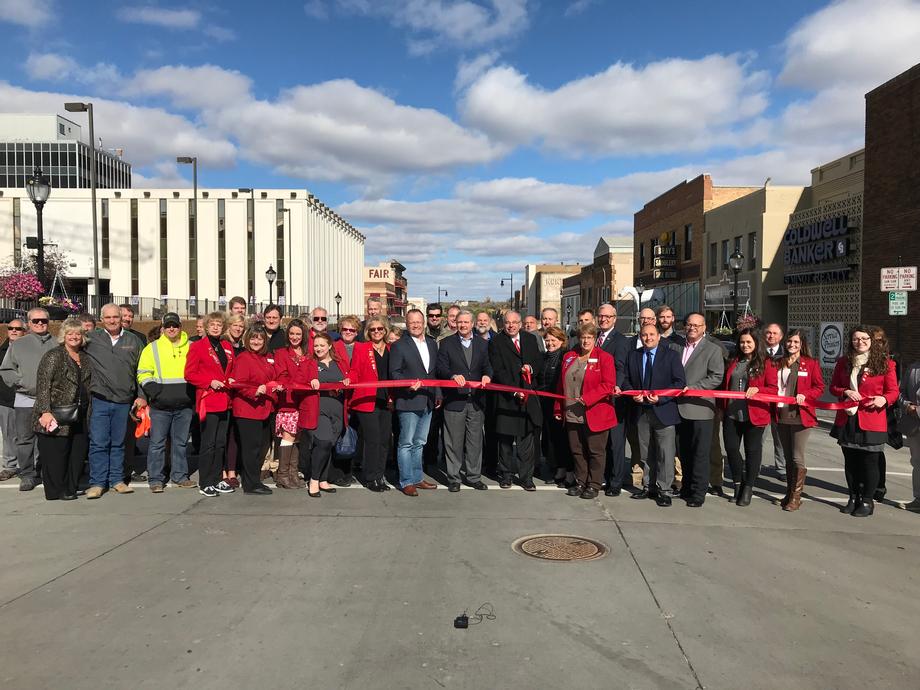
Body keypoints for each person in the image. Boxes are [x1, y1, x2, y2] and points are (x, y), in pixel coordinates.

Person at [830, 326, 899, 517]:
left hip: (872, 418)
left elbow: (893, 391)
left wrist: (883, 399)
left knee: (870, 462)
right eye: (856, 339)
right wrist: (845, 391)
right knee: (850, 461)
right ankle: (853, 497)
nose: (859, 342)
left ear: (871, 341)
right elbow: (834, 386)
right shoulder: (844, 362)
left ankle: (867, 501)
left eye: (864, 339)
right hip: (848, 417)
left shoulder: (885, 363)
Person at [83, 303, 147, 499]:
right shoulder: (91, 339)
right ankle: (97, 483)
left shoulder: (134, 340)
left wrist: (142, 395)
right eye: (108, 317)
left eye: (115, 317)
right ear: (102, 319)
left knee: (119, 443)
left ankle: (117, 480)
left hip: (124, 401)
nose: (112, 321)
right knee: (98, 443)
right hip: (100, 399)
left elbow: (142, 369)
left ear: (121, 318)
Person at [621, 323, 686, 506]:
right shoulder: (633, 355)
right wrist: (633, 394)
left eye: (651, 334)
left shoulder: (671, 355)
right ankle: (648, 486)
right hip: (641, 411)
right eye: (644, 335)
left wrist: (661, 398)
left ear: (659, 336)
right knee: (645, 452)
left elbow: (679, 383)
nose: (648, 338)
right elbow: (626, 380)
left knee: (665, 453)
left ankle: (664, 489)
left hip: (663, 410)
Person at [136, 312, 197, 492]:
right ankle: (155, 479)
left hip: (184, 406)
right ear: (162, 328)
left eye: (175, 325)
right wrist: (155, 391)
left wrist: (192, 394)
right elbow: (143, 372)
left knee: (180, 443)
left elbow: (198, 371)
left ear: (180, 327)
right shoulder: (152, 348)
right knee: (157, 444)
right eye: (168, 325)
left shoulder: (192, 347)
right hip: (160, 406)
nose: (171, 329)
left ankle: (180, 476)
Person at [32, 318, 91, 501]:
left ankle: (70, 488)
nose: (74, 337)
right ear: (63, 336)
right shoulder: (54, 356)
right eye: (70, 333)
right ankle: (56, 491)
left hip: (81, 413)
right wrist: (45, 411)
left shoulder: (85, 357)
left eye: (78, 333)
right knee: (56, 455)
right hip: (57, 413)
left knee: (77, 453)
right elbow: (43, 385)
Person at [556, 323, 616, 499]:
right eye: (583, 337)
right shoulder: (569, 356)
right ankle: (580, 481)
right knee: (577, 450)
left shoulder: (604, 358)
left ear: (595, 339)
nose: (585, 341)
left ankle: (594, 484)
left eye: (589, 337)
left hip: (595, 412)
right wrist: (558, 408)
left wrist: (589, 398)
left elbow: (608, 385)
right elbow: (561, 385)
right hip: (572, 412)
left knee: (595, 451)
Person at [0, 308, 57, 490]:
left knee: (48, 438)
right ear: (29, 323)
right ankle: (27, 474)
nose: (40, 323)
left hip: (51, 401)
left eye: (43, 320)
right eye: (35, 321)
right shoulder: (18, 344)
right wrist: (21, 382)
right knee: (25, 439)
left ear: (48, 322)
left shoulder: (58, 343)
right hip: (25, 398)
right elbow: (6, 369)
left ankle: (45, 471)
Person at [436, 310, 492, 492]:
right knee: (453, 441)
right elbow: (440, 367)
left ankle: (474, 477)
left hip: (476, 401)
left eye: (466, 322)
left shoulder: (483, 344)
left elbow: (488, 366)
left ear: (472, 324)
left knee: (475, 441)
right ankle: (453, 478)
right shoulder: (446, 343)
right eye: (460, 322)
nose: (463, 325)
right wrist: (452, 375)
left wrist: (487, 375)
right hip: (454, 400)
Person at [489, 310, 544, 491]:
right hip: (507, 397)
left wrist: (531, 369)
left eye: (514, 322)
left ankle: (527, 478)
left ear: (520, 324)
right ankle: (506, 475)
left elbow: (538, 361)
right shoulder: (496, 342)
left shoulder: (530, 339)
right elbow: (498, 370)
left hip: (528, 397)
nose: (511, 325)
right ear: (503, 324)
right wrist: (514, 391)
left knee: (526, 442)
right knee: (505, 442)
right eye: (507, 322)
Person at [675, 312, 724, 507]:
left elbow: (716, 376)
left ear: (704, 328)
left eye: (697, 325)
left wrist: (694, 389)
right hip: (678, 408)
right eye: (689, 324)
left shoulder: (713, 349)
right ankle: (686, 487)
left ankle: (698, 492)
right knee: (684, 451)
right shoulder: (676, 347)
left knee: (700, 453)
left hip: (700, 408)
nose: (692, 328)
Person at [772, 328, 824, 511]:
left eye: (796, 342)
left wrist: (806, 394)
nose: (792, 345)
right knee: (787, 457)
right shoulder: (778, 362)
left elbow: (819, 387)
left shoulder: (810, 363)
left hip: (800, 415)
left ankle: (796, 497)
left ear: (802, 344)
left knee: (796, 457)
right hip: (781, 414)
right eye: (789, 341)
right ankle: (789, 492)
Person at [185, 311, 236, 498]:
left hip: (225, 400)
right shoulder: (198, 347)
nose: (216, 327)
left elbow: (232, 369)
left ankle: (216, 479)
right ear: (206, 327)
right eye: (212, 324)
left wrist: (232, 378)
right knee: (208, 444)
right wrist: (209, 382)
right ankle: (205, 482)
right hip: (209, 399)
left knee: (221, 443)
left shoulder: (227, 346)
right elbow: (189, 374)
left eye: (219, 324)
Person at [390, 309, 440, 496]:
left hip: (428, 399)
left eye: (419, 321)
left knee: (420, 442)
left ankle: (417, 478)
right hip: (408, 400)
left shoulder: (432, 344)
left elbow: (434, 373)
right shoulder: (399, 346)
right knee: (406, 443)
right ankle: (406, 481)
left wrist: (438, 394)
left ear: (424, 322)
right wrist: (407, 384)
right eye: (412, 322)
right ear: (407, 324)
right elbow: (394, 373)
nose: (416, 325)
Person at [720, 328, 772, 506]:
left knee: (752, 451)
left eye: (749, 342)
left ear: (756, 343)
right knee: (731, 449)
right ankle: (737, 483)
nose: (745, 345)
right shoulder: (734, 360)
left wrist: (759, 389)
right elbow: (725, 385)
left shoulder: (767, 363)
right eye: (742, 342)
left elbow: (774, 389)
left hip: (755, 415)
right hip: (732, 414)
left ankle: (748, 487)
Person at [230, 326, 277, 495]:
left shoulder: (266, 357)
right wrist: (254, 391)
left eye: (260, 338)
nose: (256, 341)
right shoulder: (244, 358)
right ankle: (250, 484)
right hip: (248, 410)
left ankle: (254, 480)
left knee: (259, 448)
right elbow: (238, 383)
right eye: (253, 338)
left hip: (263, 409)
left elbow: (272, 377)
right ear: (247, 340)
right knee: (251, 449)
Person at [302, 332, 348, 497]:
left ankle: (323, 479)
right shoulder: (310, 363)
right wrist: (311, 380)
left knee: (329, 444)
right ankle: (314, 480)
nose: (319, 348)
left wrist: (347, 381)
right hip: (318, 410)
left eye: (322, 345)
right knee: (323, 442)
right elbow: (300, 379)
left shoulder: (340, 362)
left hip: (337, 410)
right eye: (316, 345)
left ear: (329, 346)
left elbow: (351, 375)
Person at [350, 317, 392, 492]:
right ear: (368, 331)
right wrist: (348, 380)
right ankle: (370, 477)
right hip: (367, 400)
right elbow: (354, 371)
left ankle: (380, 475)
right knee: (373, 440)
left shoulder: (391, 348)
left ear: (385, 330)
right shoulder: (361, 348)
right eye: (373, 329)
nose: (376, 332)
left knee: (384, 440)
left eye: (380, 328)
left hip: (386, 400)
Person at [595, 303, 630, 496]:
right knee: (602, 442)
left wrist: (615, 386)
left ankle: (615, 482)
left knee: (616, 443)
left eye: (608, 317)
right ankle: (603, 477)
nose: (604, 319)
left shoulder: (621, 341)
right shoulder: (594, 338)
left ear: (614, 319)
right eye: (601, 316)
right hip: (597, 398)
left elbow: (621, 367)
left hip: (614, 398)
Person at [272, 318, 309, 489]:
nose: (294, 337)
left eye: (298, 334)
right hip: (288, 400)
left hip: (304, 401)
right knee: (288, 436)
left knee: (297, 437)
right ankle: (283, 475)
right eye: (292, 333)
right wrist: (297, 383)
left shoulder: (308, 353)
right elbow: (282, 375)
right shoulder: (281, 353)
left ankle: (293, 473)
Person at [539, 326, 572, 487]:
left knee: (562, 438)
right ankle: (555, 467)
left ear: (561, 341)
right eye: (547, 340)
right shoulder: (543, 357)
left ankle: (564, 469)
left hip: (560, 403)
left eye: (553, 340)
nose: (550, 343)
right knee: (550, 437)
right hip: (545, 402)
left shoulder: (566, 357)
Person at [0, 318, 25, 481]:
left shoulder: (29, 350)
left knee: (28, 435)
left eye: (18, 328)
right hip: (6, 399)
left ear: (25, 331)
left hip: (27, 397)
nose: (14, 331)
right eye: (11, 328)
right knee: (9, 435)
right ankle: (10, 466)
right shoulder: (1, 351)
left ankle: (32, 465)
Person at [763, 322, 786, 479]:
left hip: (780, 402)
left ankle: (781, 468)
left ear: (781, 336)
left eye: (774, 333)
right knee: (758, 437)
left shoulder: (786, 355)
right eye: (768, 333)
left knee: (780, 438)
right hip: (762, 402)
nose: (771, 336)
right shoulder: (757, 353)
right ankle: (754, 466)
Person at [898, 360, 920, 512]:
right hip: (914, 425)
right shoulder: (913, 368)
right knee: (917, 463)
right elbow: (901, 391)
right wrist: (906, 405)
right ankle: (918, 499)